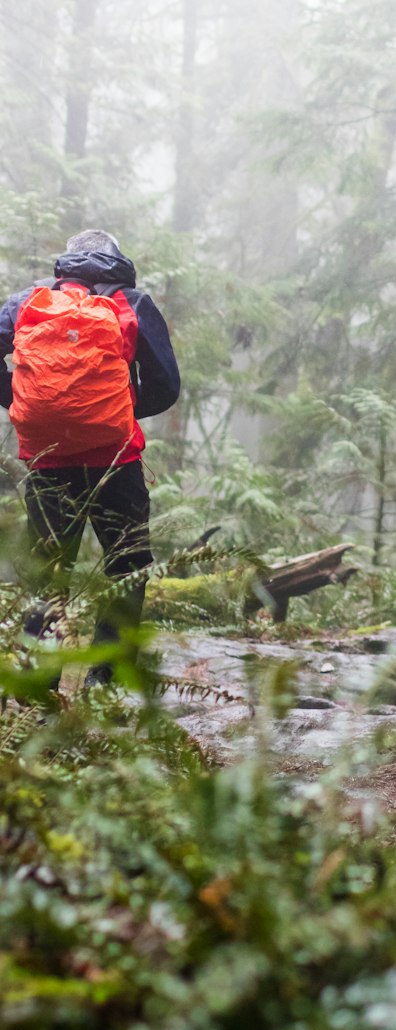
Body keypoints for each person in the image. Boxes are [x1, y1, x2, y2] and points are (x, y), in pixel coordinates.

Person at [0, 229, 181, 690]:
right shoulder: (133, 304)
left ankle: (37, 689)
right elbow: (166, 387)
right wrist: (112, 409)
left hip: (47, 461)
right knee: (127, 567)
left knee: (49, 573)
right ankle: (107, 682)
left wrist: (20, 401)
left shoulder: (28, 302)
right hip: (116, 462)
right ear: (117, 257)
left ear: (67, 260)